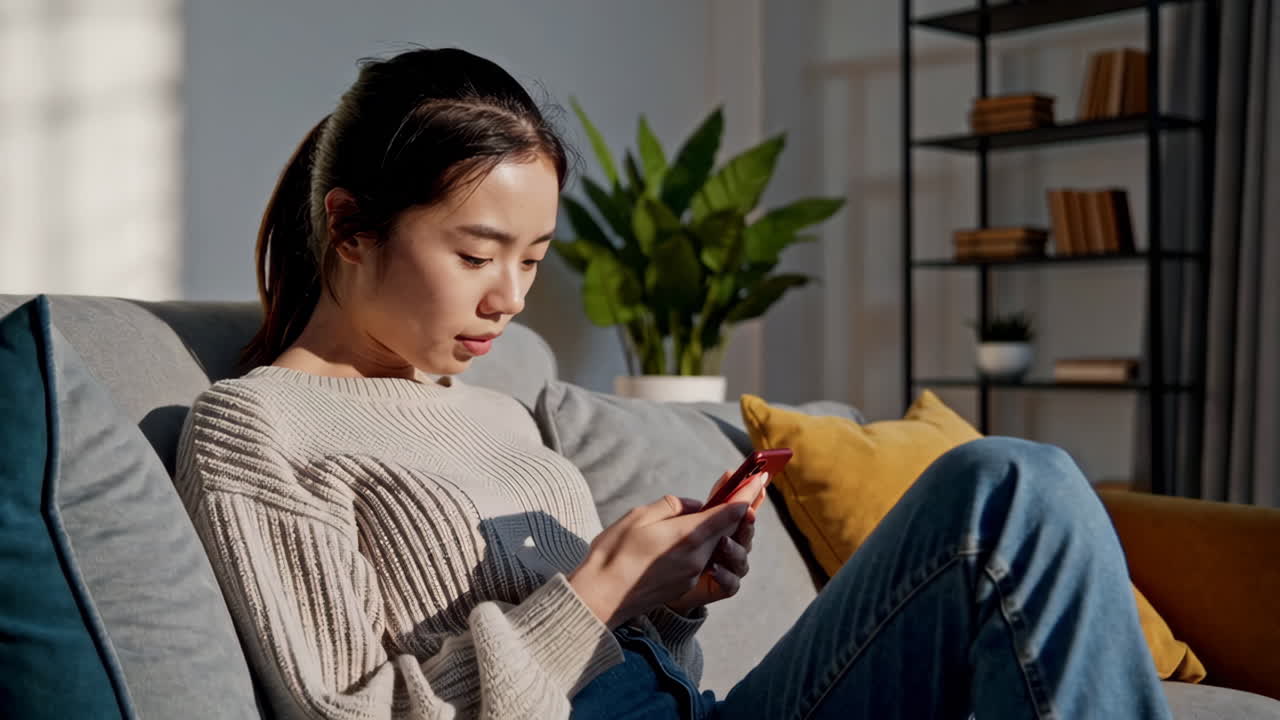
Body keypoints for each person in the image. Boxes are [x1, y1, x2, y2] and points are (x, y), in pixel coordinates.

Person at [174, 47, 1173, 719]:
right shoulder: (256, 428)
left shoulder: (487, 408)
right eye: (478, 254)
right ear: (348, 227)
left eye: (532, 258)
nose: (510, 299)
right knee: (1006, 490)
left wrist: (672, 599)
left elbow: (618, 653)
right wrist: (601, 586)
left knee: (1013, 486)